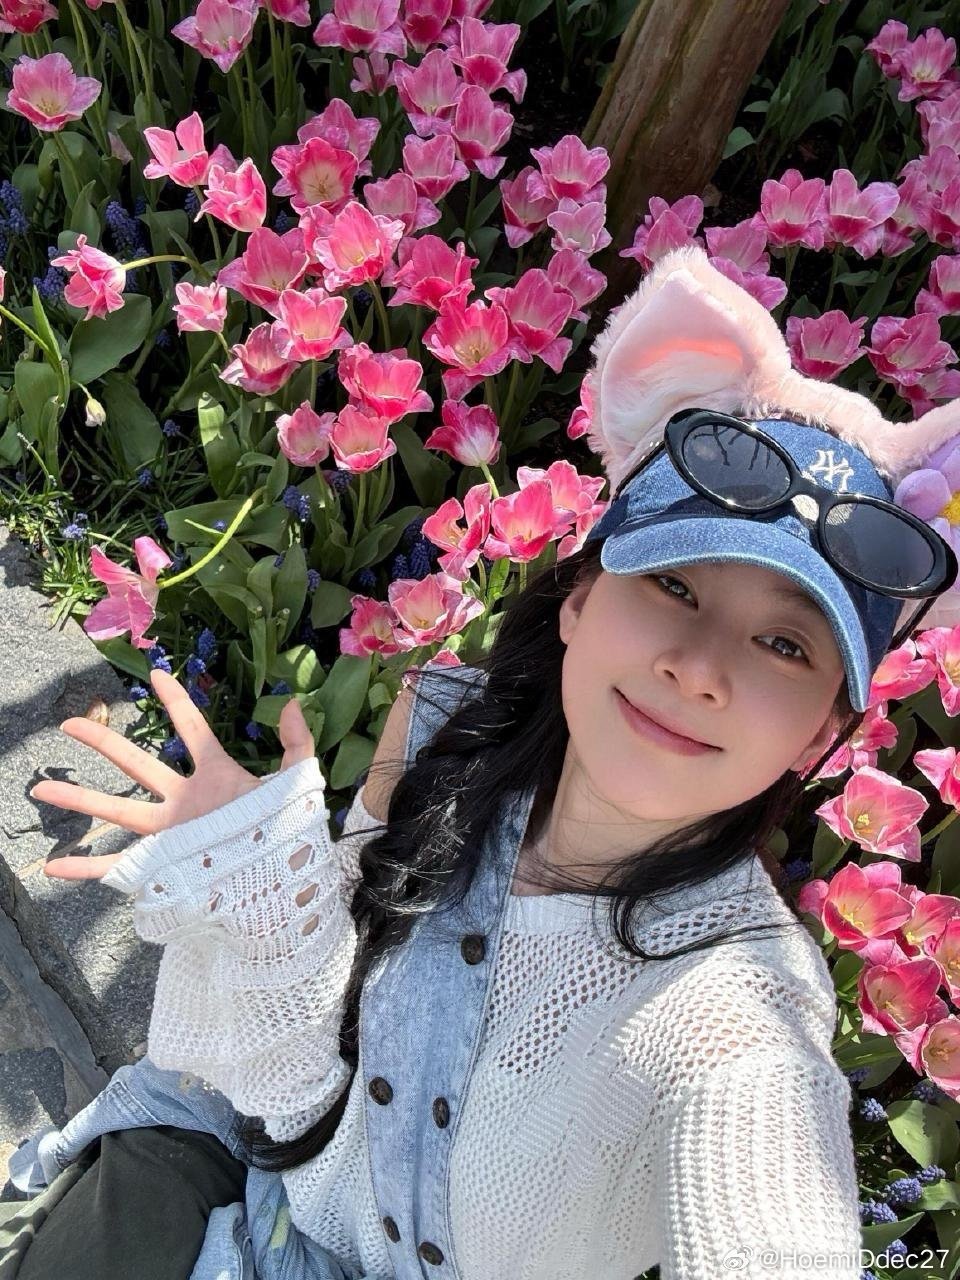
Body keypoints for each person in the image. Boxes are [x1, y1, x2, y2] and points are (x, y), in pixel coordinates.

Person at [3, 243, 960, 1280]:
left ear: (821, 735)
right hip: (246, 1181)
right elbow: (306, 1074)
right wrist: (263, 901)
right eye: (674, 586)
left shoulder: (737, 1018)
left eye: (783, 643)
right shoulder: (441, 725)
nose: (698, 669)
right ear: (580, 599)